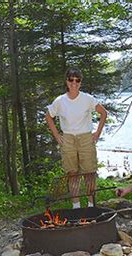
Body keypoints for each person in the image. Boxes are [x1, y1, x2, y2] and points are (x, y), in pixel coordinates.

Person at [46, 68, 108, 209]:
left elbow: (103, 113)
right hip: (68, 139)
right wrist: (57, 136)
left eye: (77, 80)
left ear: (80, 82)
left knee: (89, 173)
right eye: (71, 80)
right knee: (72, 173)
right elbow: (48, 116)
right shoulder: (60, 101)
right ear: (66, 81)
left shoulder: (87, 99)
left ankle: (92, 205)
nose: (74, 83)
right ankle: (76, 206)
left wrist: (97, 133)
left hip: (86, 138)